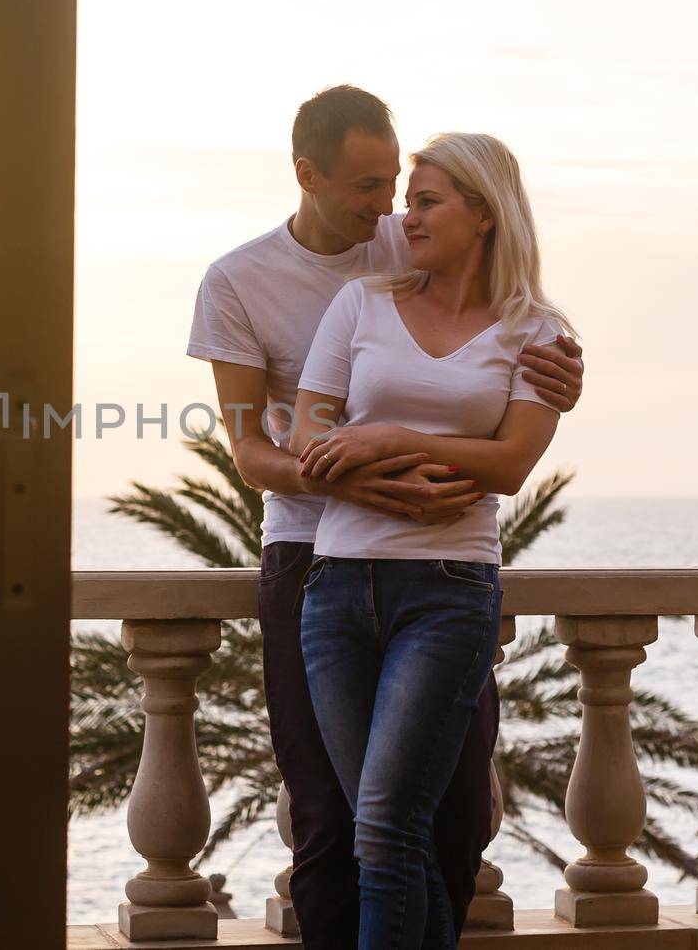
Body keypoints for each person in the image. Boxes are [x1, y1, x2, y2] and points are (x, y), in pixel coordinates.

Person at [187, 86, 583, 949]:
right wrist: (364, 482)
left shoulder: (412, 239)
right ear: (307, 176)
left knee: (446, 819)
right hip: (312, 552)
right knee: (334, 821)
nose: (388, 209)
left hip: (442, 566)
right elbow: (255, 455)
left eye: (399, 186)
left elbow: (510, 317)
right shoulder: (240, 281)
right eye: (369, 188)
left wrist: (556, 376)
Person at [290, 131, 574, 950]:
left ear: (483, 213)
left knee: (385, 828)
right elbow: (312, 434)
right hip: (337, 587)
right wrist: (370, 452)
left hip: (447, 589)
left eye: (426, 201)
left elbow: (513, 461)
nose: (405, 217)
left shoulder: (538, 332)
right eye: (409, 201)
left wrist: (380, 434)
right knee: (381, 834)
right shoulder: (361, 304)